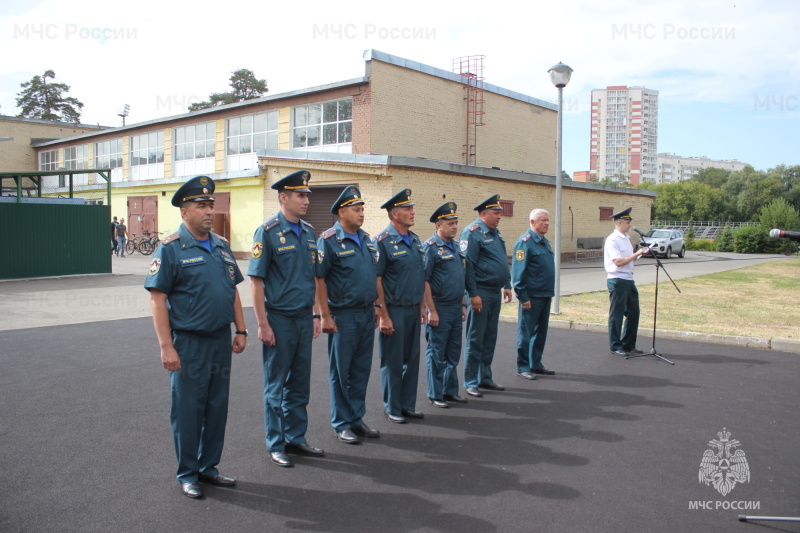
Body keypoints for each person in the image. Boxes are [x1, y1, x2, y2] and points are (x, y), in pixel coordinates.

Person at [144, 175, 247, 499]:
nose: (208, 210)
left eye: (210, 205)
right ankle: (188, 473)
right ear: (184, 211)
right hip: (189, 344)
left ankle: (208, 468)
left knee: (217, 407)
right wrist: (166, 347)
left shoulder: (221, 246)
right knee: (188, 409)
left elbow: (232, 291)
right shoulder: (171, 249)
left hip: (220, 340)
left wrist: (241, 329)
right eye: (201, 205)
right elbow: (157, 299)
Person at [248, 170, 323, 468]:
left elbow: (315, 278)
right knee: (276, 385)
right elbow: (256, 281)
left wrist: (316, 313)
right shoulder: (266, 232)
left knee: (300, 383)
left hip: (304, 319)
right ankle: (276, 443)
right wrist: (262, 324)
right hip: (278, 318)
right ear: (283, 197)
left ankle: (296, 438)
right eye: (300, 195)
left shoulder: (308, 231)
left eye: (307, 195)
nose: (306, 200)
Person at [316, 186, 381, 444]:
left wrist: (376, 307)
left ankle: (356, 418)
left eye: (363, 209)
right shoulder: (329, 240)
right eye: (357, 209)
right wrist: (324, 316)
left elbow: (373, 277)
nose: (361, 213)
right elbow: (319, 280)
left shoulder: (366, 239)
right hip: (342, 315)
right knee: (341, 371)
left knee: (361, 369)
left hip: (366, 313)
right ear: (342, 212)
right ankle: (341, 422)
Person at [373, 188, 426, 424]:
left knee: (412, 359)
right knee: (393, 360)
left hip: (413, 308)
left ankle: (407, 404)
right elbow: (377, 280)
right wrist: (383, 314)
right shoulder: (382, 241)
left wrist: (423, 306)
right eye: (407, 209)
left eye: (412, 208)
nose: (412, 212)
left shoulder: (415, 240)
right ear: (394, 214)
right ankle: (392, 406)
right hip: (393, 309)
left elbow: (418, 275)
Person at [459, 194, 512, 398]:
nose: (499, 216)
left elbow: (501, 259)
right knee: (476, 337)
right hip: (479, 291)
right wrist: (472, 294)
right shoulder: (472, 233)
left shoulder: (496, 234)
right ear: (483, 214)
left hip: (494, 292)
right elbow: (468, 265)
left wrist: (507, 284)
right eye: (495, 213)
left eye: (500, 212)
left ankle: (485, 377)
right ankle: (471, 380)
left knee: (490, 337)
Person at [422, 202, 468, 408]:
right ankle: (435, 393)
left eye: (456, 223)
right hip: (438, 307)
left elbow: (460, 277)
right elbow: (424, 281)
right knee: (436, 352)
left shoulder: (457, 247)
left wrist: (463, 303)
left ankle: (450, 391)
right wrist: (431, 310)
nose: (455, 226)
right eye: (450, 223)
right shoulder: (430, 248)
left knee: (453, 351)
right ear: (438, 226)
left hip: (455, 306)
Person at [511, 209, 556, 380]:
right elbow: (518, 273)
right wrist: (523, 296)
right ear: (532, 222)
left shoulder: (544, 242)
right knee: (526, 332)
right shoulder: (525, 243)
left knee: (541, 332)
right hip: (532, 296)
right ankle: (523, 366)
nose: (546, 223)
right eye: (543, 220)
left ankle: (535, 363)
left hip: (545, 294)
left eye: (548, 220)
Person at [604, 207, 650, 356]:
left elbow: (629, 258)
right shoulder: (613, 240)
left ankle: (628, 344)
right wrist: (635, 253)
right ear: (620, 223)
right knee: (617, 314)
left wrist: (640, 253)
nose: (630, 225)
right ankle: (615, 345)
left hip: (628, 279)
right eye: (627, 222)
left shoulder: (626, 239)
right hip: (617, 279)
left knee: (634, 312)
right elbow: (618, 261)